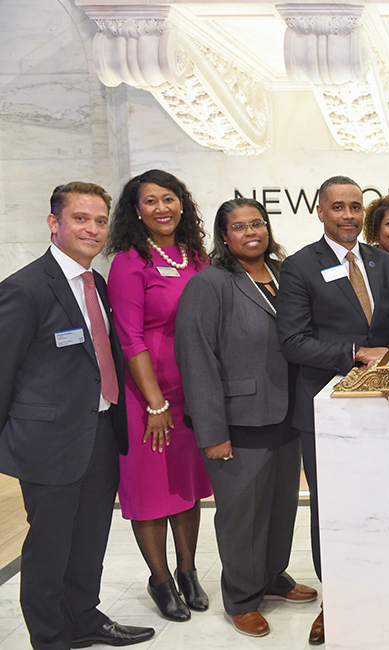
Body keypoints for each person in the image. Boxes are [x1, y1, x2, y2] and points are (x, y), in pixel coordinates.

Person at [0, 182, 154, 649]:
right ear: (55, 222)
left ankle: (84, 618)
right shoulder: (24, 289)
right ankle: (50, 638)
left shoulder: (96, 283)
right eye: (80, 218)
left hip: (100, 432)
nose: (93, 229)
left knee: (89, 541)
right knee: (49, 549)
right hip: (48, 444)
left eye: (100, 220)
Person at [175, 198, 318, 638]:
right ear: (223, 236)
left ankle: (272, 577)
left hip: (287, 414)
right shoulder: (210, 283)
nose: (251, 232)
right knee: (242, 515)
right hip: (238, 420)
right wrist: (212, 431)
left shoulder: (284, 273)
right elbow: (196, 360)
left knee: (280, 507)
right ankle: (241, 597)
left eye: (257, 223)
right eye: (239, 227)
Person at [277, 175, 389, 645]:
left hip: (385, 404)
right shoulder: (299, 266)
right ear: (320, 211)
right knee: (332, 507)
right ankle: (334, 601)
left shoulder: (383, 262)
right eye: (338, 207)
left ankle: (385, 588)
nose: (348, 215)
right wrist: (355, 353)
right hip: (326, 407)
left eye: (355, 206)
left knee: (386, 501)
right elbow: (293, 342)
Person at [106, 170, 213, 622]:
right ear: (136, 210)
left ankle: (188, 571)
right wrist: (155, 402)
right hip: (147, 396)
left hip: (193, 392)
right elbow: (129, 338)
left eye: (168, 198)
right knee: (150, 492)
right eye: (150, 201)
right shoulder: (129, 262)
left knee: (187, 488)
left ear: (182, 204)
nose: (161, 208)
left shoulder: (196, 257)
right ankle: (161, 579)